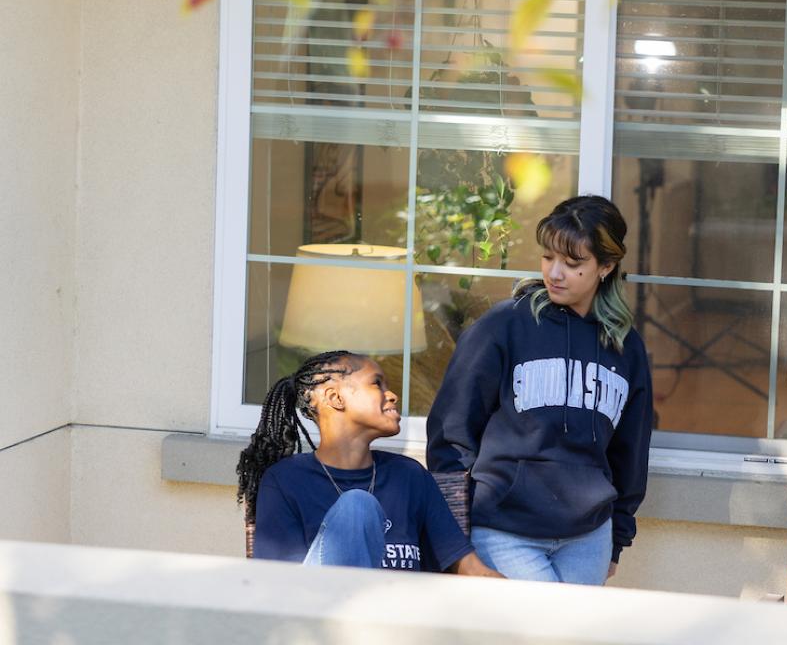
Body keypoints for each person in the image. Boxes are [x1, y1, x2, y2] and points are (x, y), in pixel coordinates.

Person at [426, 195, 654, 585]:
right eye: (548, 257)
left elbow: (630, 450)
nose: (555, 272)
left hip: (588, 536)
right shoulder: (504, 326)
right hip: (503, 529)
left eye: (573, 262)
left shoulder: (624, 346)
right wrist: (455, 539)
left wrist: (617, 536)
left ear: (607, 266)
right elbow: (452, 431)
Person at [236, 350, 499, 576]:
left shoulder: (409, 476)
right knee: (356, 507)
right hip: (321, 623)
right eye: (377, 384)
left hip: (398, 627)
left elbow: (470, 569)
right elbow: (281, 586)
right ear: (335, 398)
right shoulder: (286, 481)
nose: (393, 395)